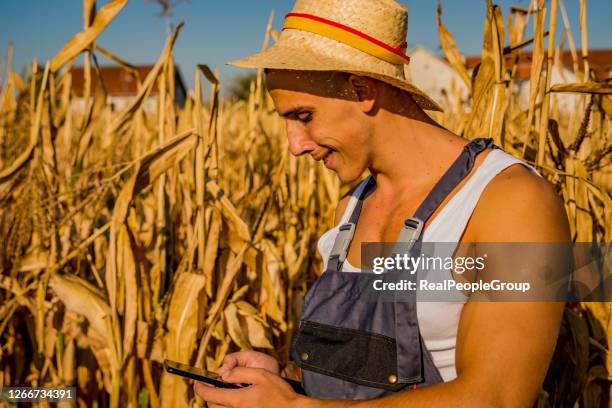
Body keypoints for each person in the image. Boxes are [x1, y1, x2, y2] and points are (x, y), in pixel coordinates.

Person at [194, 0, 570, 406]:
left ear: (363, 90)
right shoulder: (352, 209)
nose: (295, 145)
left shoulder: (509, 202)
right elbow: (361, 377)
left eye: (304, 116)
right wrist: (286, 380)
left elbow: (496, 396)